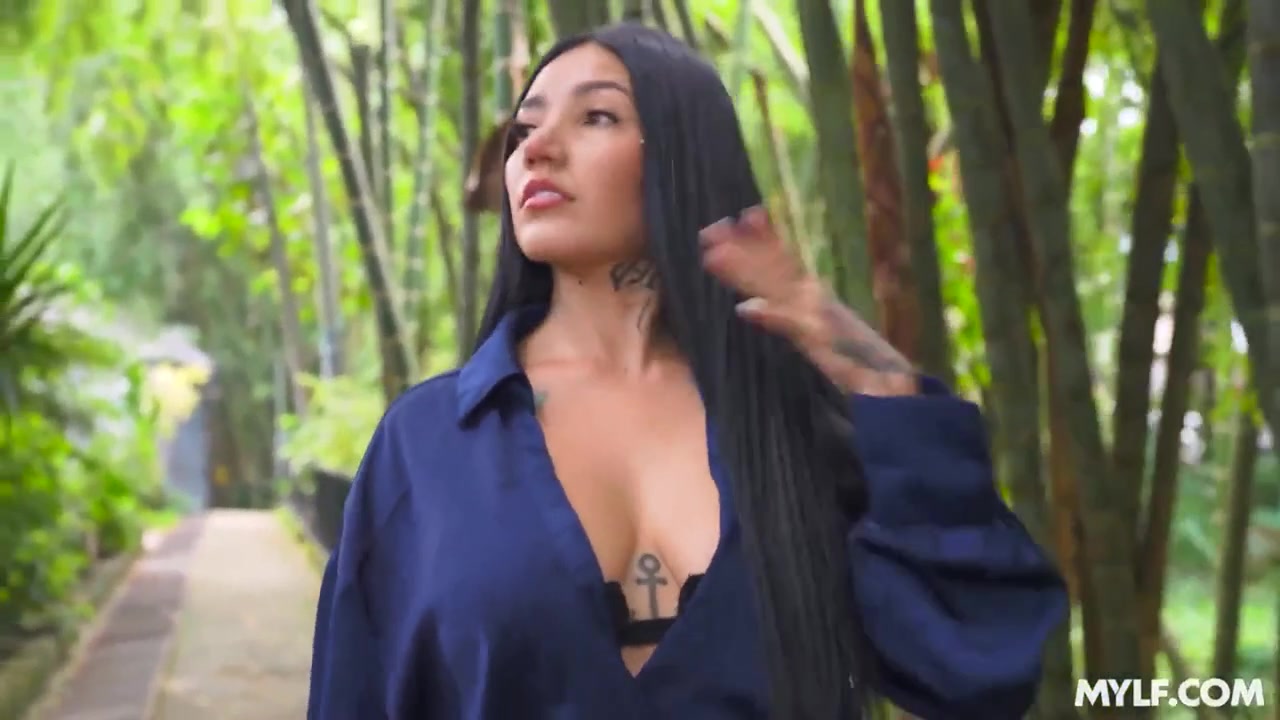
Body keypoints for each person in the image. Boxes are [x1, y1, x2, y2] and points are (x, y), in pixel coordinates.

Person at [307, 22, 1067, 720]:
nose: (536, 149)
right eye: (525, 128)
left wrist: (876, 376)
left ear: (683, 154)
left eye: (595, 117)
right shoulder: (428, 444)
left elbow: (980, 664)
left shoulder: (793, 426)